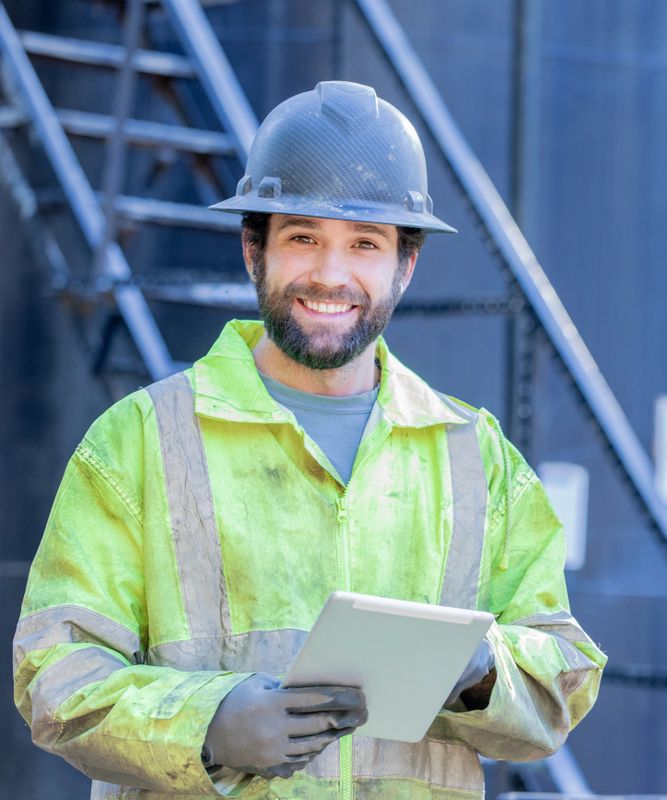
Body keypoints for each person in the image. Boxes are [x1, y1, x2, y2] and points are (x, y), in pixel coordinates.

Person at [13, 81, 606, 799]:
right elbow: (55, 674)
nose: (331, 273)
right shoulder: (138, 444)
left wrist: (482, 667)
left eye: (365, 243)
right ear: (252, 250)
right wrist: (207, 723)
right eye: (302, 237)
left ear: (405, 266)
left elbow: (563, 677)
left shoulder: (474, 458)